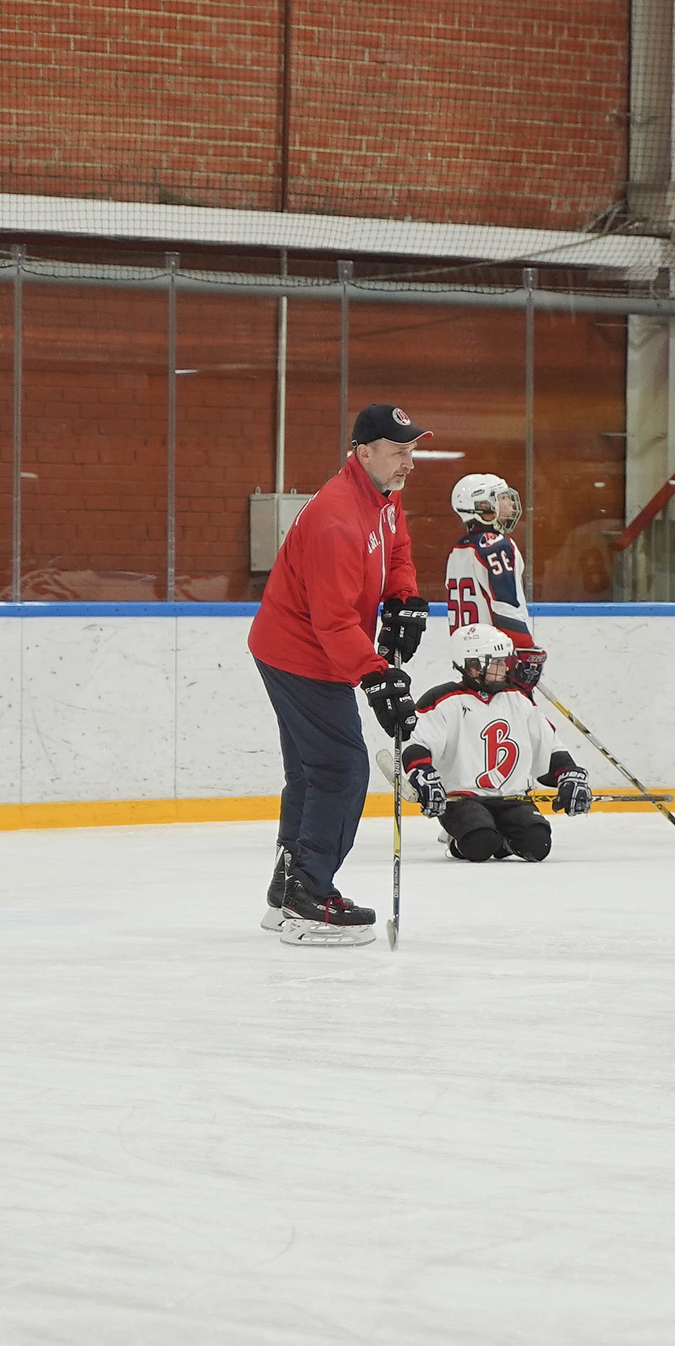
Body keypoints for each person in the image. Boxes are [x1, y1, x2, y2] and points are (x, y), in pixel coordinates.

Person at [247, 403, 433, 946]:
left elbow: (397, 549)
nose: (409, 463)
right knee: (342, 768)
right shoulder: (336, 518)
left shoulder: (382, 498)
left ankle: (289, 890)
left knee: (312, 772)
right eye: (399, 451)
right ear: (364, 451)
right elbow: (332, 622)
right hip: (300, 653)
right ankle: (308, 893)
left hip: (312, 648)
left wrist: (405, 598)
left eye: (411, 450)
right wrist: (377, 677)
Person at [397, 623, 591, 862]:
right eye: (496, 662)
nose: (504, 668)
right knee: (480, 844)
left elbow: (549, 748)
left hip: (512, 798)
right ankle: (456, 837)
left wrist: (569, 775)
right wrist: (422, 772)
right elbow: (418, 744)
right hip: (462, 799)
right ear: (472, 666)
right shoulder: (444, 699)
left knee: (537, 843)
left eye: (503, 661)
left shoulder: (518, 700)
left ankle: (502, 843)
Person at [445, 473, 536, 649]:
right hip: (496, 653)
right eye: (502, 497)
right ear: (483, 505)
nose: (510, 503)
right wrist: (525, 648)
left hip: (466, 651)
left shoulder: (458, 550)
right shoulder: (496, 545)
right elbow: (507, 606)